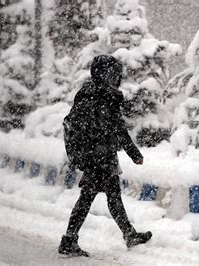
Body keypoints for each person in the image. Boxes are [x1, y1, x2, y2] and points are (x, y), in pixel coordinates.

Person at [58, 55, 152, 257]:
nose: (116, 77)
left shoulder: (86, 93)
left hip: (91, 155)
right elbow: (118, 128)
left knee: (107, 195)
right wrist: (134, 153)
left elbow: (81, 124)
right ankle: (69, 239)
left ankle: (128, 234)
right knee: (94, 197)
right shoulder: (105, 96)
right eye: (114, 73)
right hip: (100, 156)